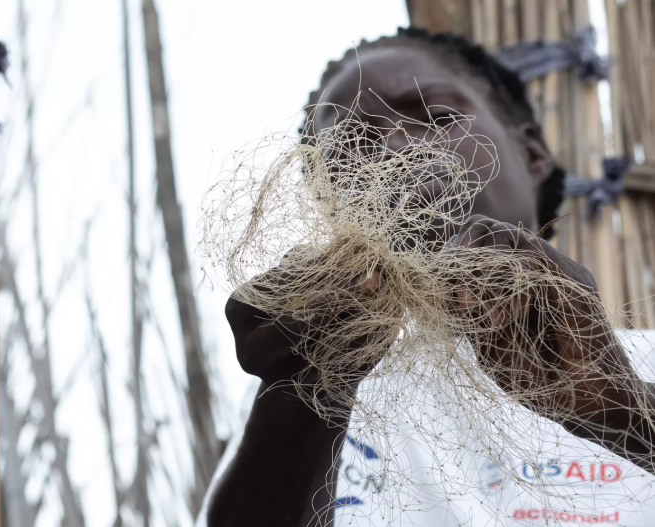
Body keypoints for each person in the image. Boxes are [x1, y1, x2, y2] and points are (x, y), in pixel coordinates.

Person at [198, 27, 655, 526]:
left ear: (532, 154)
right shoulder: (302, 380)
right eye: (350, 145)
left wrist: (622, 406)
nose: (396, 150)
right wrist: (302, 397)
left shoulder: (642, 362)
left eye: (436, 118)